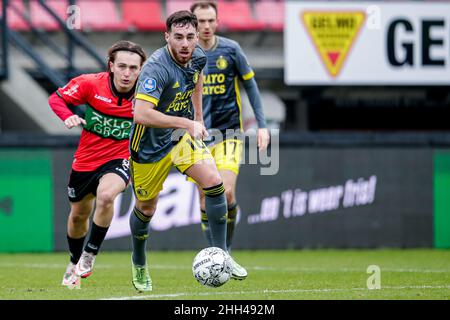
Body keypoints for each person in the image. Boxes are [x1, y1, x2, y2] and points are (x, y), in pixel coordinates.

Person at [128, 10, 246, 292]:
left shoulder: (198, 56)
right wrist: (187, 122)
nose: (184, 43)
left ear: (196, 38)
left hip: (180, 138)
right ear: (166, 36)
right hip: (149, 147)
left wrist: (198, 117)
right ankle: (139, 260)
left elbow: (197, 78)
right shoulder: (155, 68)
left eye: (190, 37)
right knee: (147, 208)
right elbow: (141, 114)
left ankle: (222, 255)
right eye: (178, 37)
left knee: (215, 184)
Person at [48, 40, 147, 289]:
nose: (127, 73)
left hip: (121, 157)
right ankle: (73, 263)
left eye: (134, 68)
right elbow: (56, 98)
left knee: (106, 196)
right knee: (78, 216)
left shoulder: (148, 92)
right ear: (111, 66)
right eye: (122, 66)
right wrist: (68, 115)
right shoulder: (91, 84)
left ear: (141, 69)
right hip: (86, 160)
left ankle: (90, 253)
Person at [190, 0, 270, 280]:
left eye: (211, 20)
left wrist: (262, 125)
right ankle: (217, 254)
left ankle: (224, 253)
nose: (206, 26)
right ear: (192, 23)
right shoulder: (185, 54)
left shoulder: (231, 49)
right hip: (195, 136)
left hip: (229, 133)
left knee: (225, 194)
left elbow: (250, 84)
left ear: (217, 21)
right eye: (200, 21)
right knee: (204, 201)